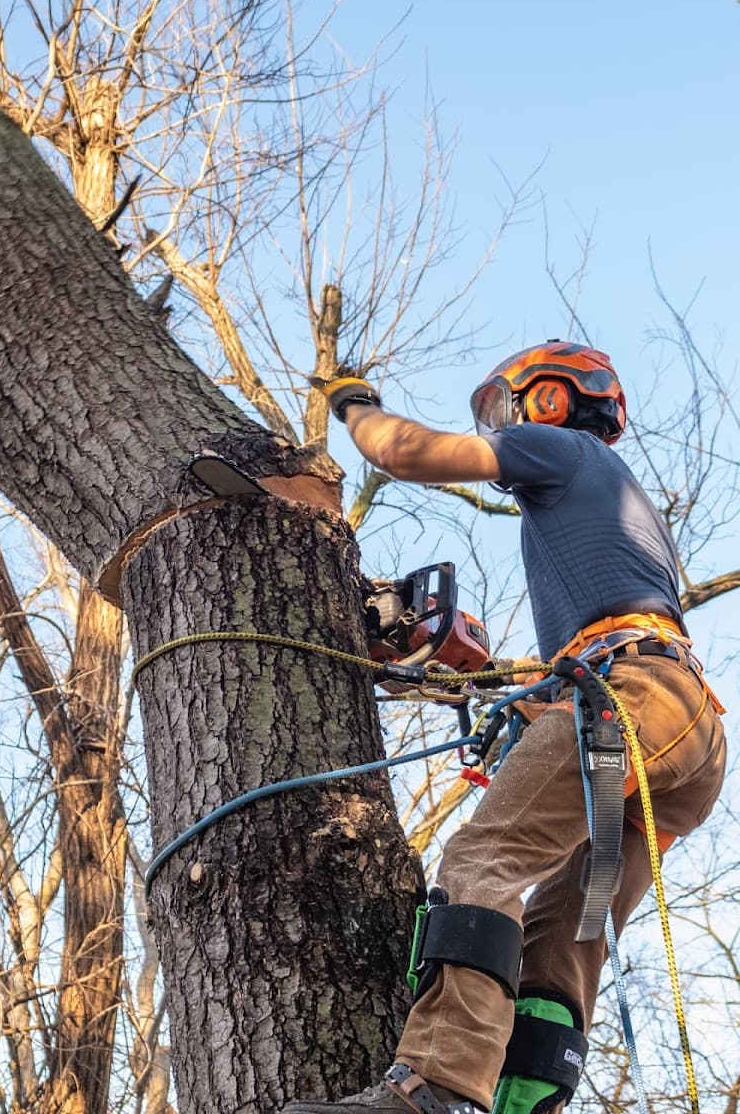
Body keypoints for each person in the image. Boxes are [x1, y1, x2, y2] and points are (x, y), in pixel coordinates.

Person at [288, 342, 726, 1114]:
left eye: (509, 411)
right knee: (566, 930)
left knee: (485, 856)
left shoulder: (560, 449)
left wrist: (355, 404)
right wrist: (501, 687)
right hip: (685, 731)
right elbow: (595, 644)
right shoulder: (617, 515)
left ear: (553, 401)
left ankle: (440, 1087)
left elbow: (405, 451)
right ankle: (526, 1101)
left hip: (630, 693)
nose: (506, 429)